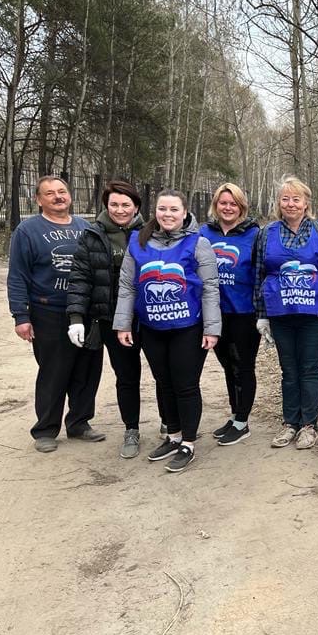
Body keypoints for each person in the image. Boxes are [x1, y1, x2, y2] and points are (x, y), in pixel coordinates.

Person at [113, 189, 220, 473]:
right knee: (163, 382)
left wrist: (212, 329)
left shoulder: (199, 244)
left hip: (188, 328)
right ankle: (172, 435)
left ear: (184, 213)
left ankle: (188, 441)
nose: (168, 214)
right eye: (163, 209)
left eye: (174, 210)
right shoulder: (138, 241)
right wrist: (123, 323)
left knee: (185, 385)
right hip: (152, 328)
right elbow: (127, 286)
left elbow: (210, 289)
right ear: (155, 212)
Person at [7, 175, 105, 453]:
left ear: (70, 195)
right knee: (53, 371)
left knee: (87, 369)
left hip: (86, 311)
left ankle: (79, 423)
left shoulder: (86, 228)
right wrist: (21, 316)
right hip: (48, 310)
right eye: (49, 193)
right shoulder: (27, 231)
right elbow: (17, 276)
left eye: (62, 191)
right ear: (39, 200)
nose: (58, 196)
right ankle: (46, 429)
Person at [254, 177, 318, 450]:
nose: (291, 204)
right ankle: (290, 423)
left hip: (316, 314)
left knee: (309, 369)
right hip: (281, 313)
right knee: (289, 370)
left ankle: (308, 425)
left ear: (306, 202)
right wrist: (261, 314)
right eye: (285, 198)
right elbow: (259, 274)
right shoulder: (267, 233)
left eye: (296, 199)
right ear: (279, 202)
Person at [66, 179, 149, 458]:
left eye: (126, 204)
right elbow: (80, 278)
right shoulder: (93, 235)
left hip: (150, 316)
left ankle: (170, 424)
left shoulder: (152, 232)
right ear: (106, 206)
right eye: (114, 204)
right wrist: (76, 316)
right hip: (113, 320)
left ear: (136, 206)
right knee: (126, 376)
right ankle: (132, 429)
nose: (120, 209)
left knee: (166, 373)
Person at [200, 183, 260, 445]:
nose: (228, 208)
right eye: (223, 203)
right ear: (216, 205)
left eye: (233, 203)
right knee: (227, 366)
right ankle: (235, 414)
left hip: (244, 311)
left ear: (241, 207)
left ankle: (242, 421)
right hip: (214, 312)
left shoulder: (255, 234)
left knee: (243, 366)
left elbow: (261, 272)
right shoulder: (204, 233)